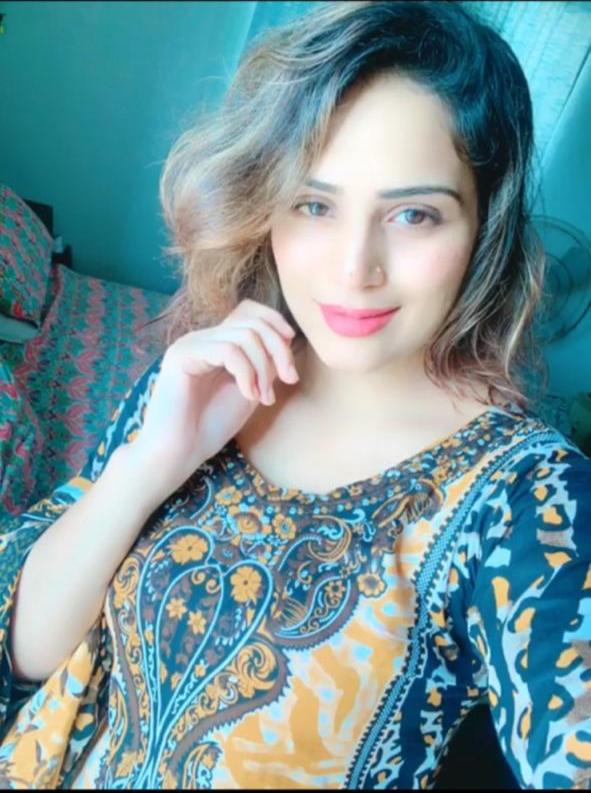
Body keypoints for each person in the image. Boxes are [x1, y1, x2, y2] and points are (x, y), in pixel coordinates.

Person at [1, 0, 590, 788]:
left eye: (413, 214)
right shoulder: (205, 377)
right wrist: (151, 462)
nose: (353, 267)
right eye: (314, 204)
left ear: (482, 228)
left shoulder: (529, 500)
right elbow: (26, 653)